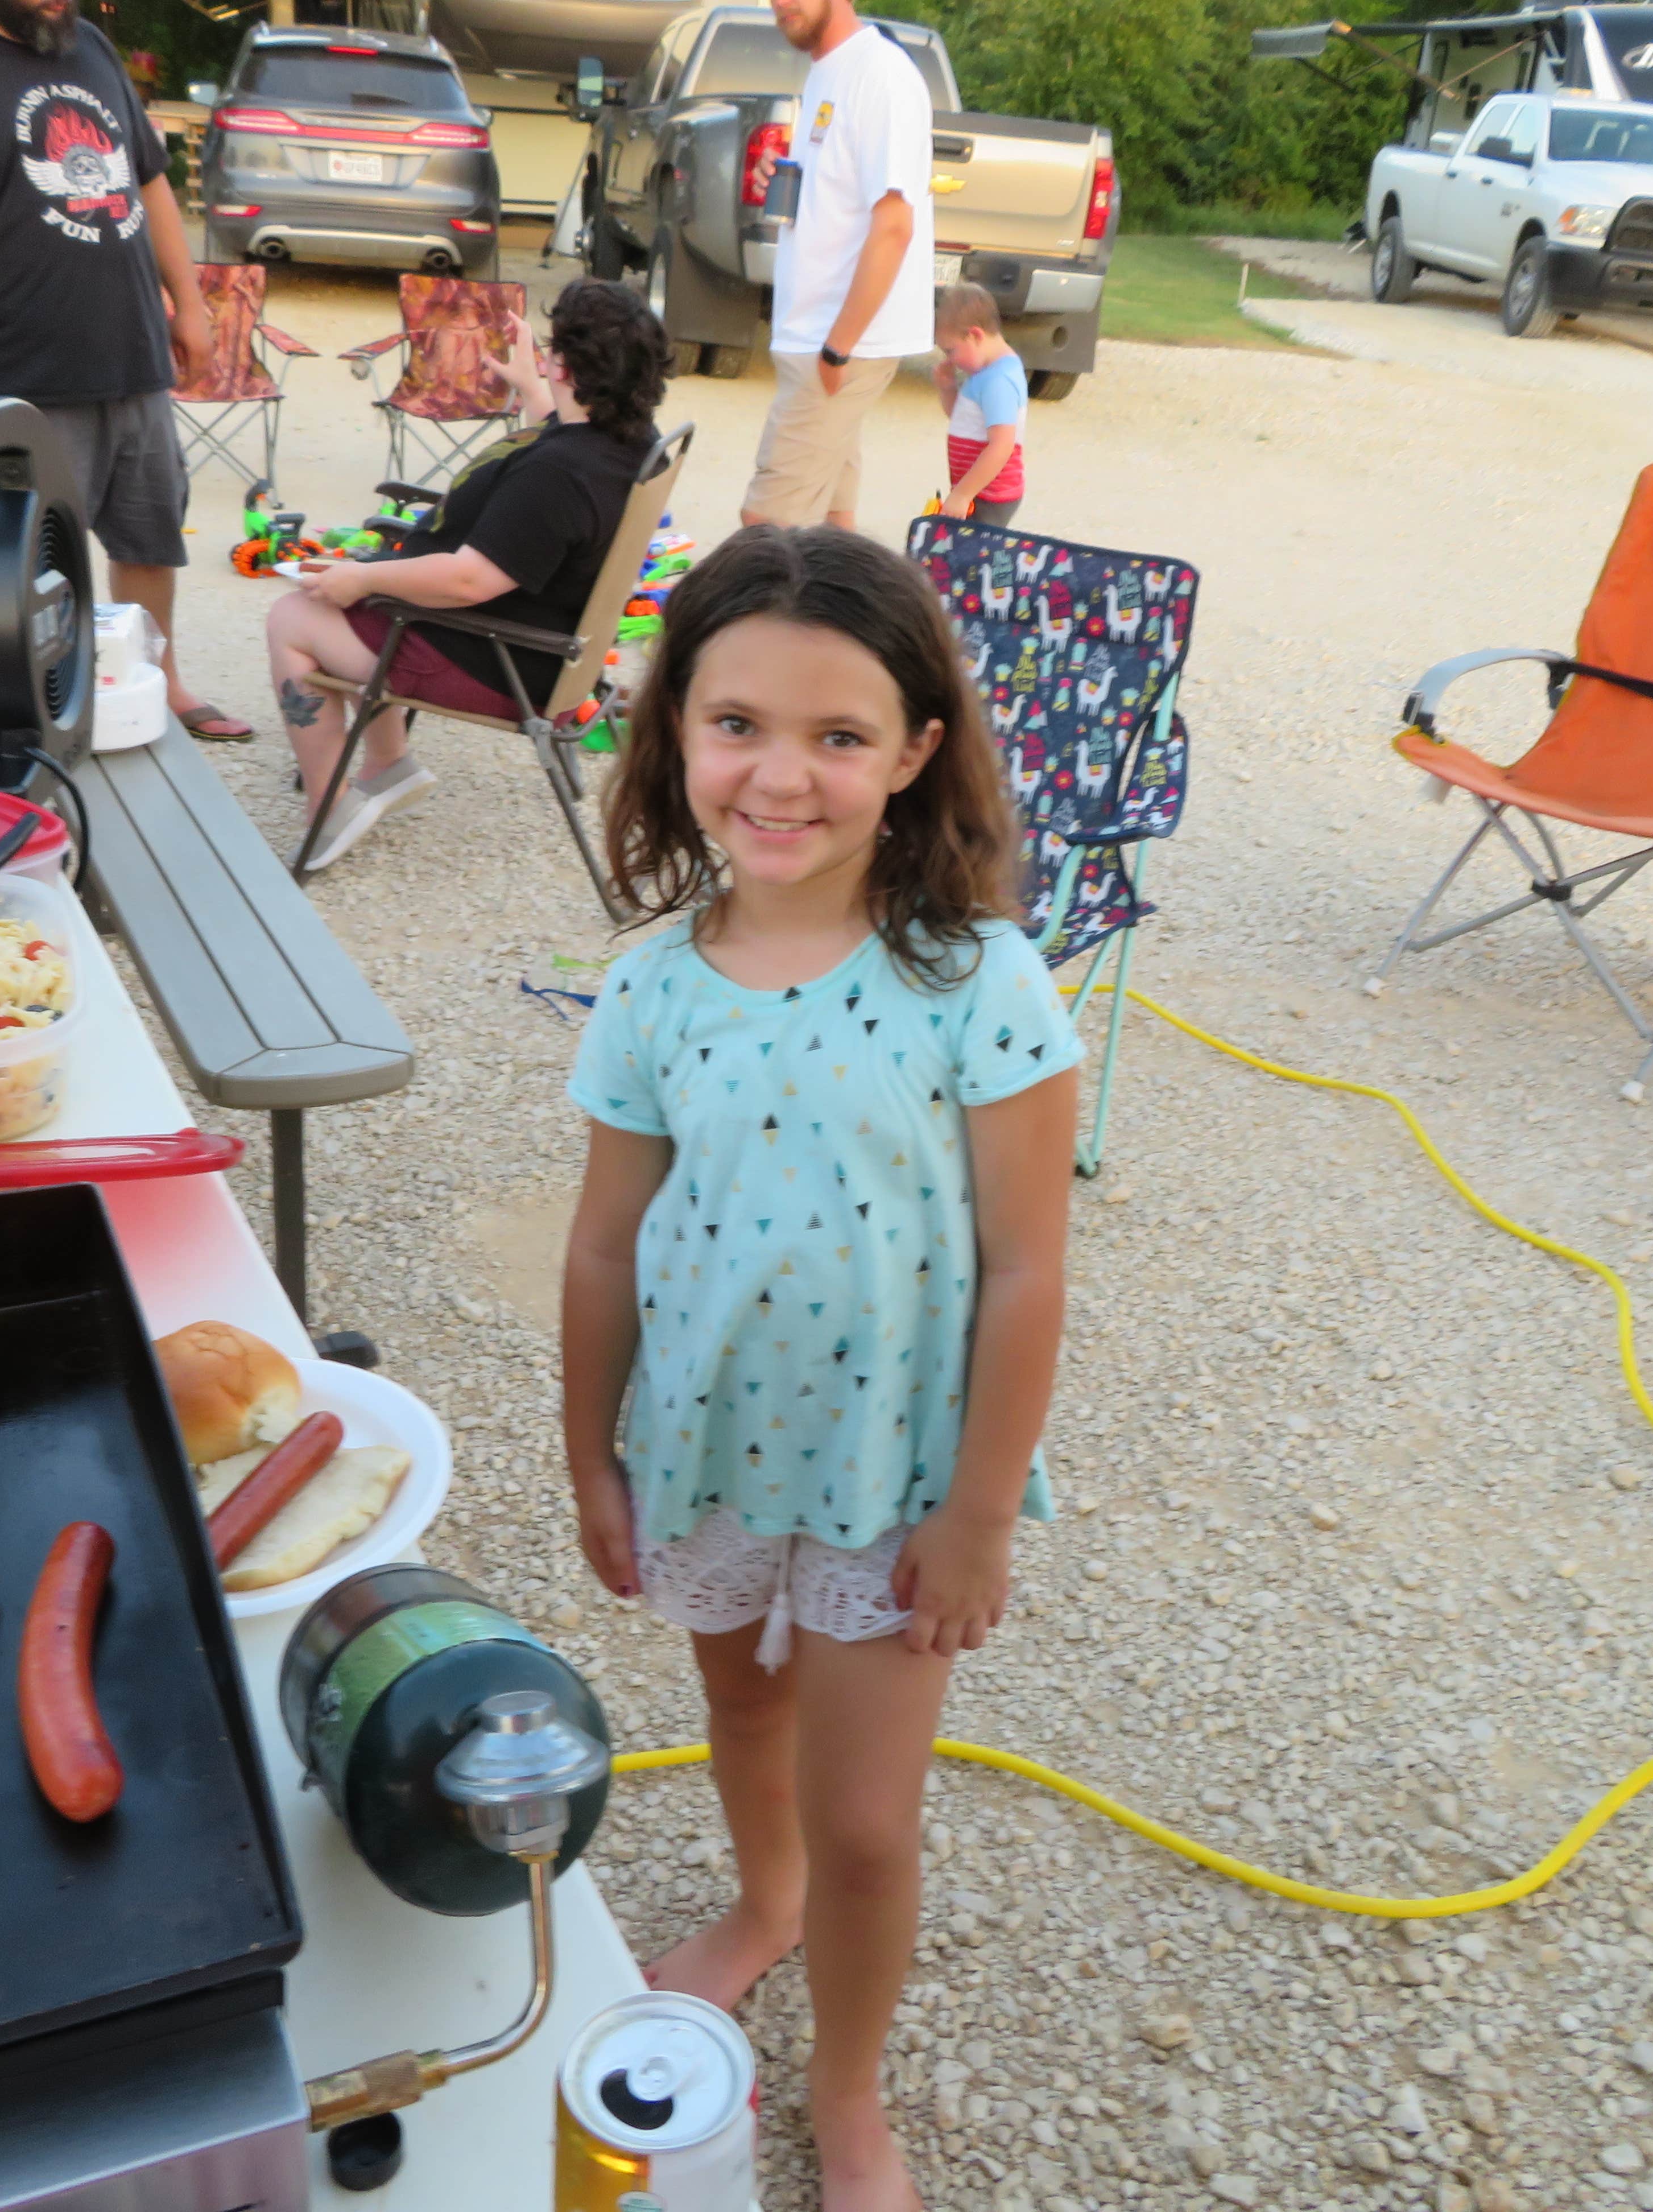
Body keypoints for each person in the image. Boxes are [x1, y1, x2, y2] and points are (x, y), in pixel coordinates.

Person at [560, 527, 1077, 2212]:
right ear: (674, 732)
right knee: (739, 1701)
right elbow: (601, 1246)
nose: (781, 777)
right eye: (738, 726)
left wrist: (982, 1517)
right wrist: (589, 1457)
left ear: (916, 752)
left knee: (871, 1823)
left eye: (839, 738)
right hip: (704, 1449)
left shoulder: (976, 984)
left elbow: (1025, 1268)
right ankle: (759, 1904)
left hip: (897, 1481)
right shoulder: (647, 990)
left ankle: (850, 2088)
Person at [0, 0, 241, 738]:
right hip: (22, 366)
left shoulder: (90, 46)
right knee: (32, 556)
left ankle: (152, 678)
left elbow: (152, 181)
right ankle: (39, 701)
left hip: (132, 353)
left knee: (149, 533)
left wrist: (190, 307)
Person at [266, 278, 669, 869]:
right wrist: (531, 380)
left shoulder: (559, 477)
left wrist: (366, 579)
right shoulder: (624, 439)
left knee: (293, 619)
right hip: (538, 644)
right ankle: (389, 763)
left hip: (494, 656)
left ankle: (330, 808)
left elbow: (468, 582)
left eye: (554, 351)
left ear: (569, 367)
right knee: (348, 595)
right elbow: (555, 440)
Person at [738, 0, 935, 533]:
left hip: (835, 344)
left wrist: (837, 347)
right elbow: (840, 195)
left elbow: (895, 225)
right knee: (833, 525)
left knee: (765, 527)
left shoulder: (881, 74)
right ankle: (859, 618)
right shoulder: (829, 71)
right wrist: (776, 177)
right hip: (817, 336)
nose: (782, 4)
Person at [931, 280, 1025, 527]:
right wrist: (948, 388)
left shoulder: (998, 381)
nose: (949, 359)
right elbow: (963, 420)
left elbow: (1002, 445)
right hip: (977, 490)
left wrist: (963, 494)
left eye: (951, 351)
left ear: (975, 335)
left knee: (977, 558)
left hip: (989, 495)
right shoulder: (984, 374)